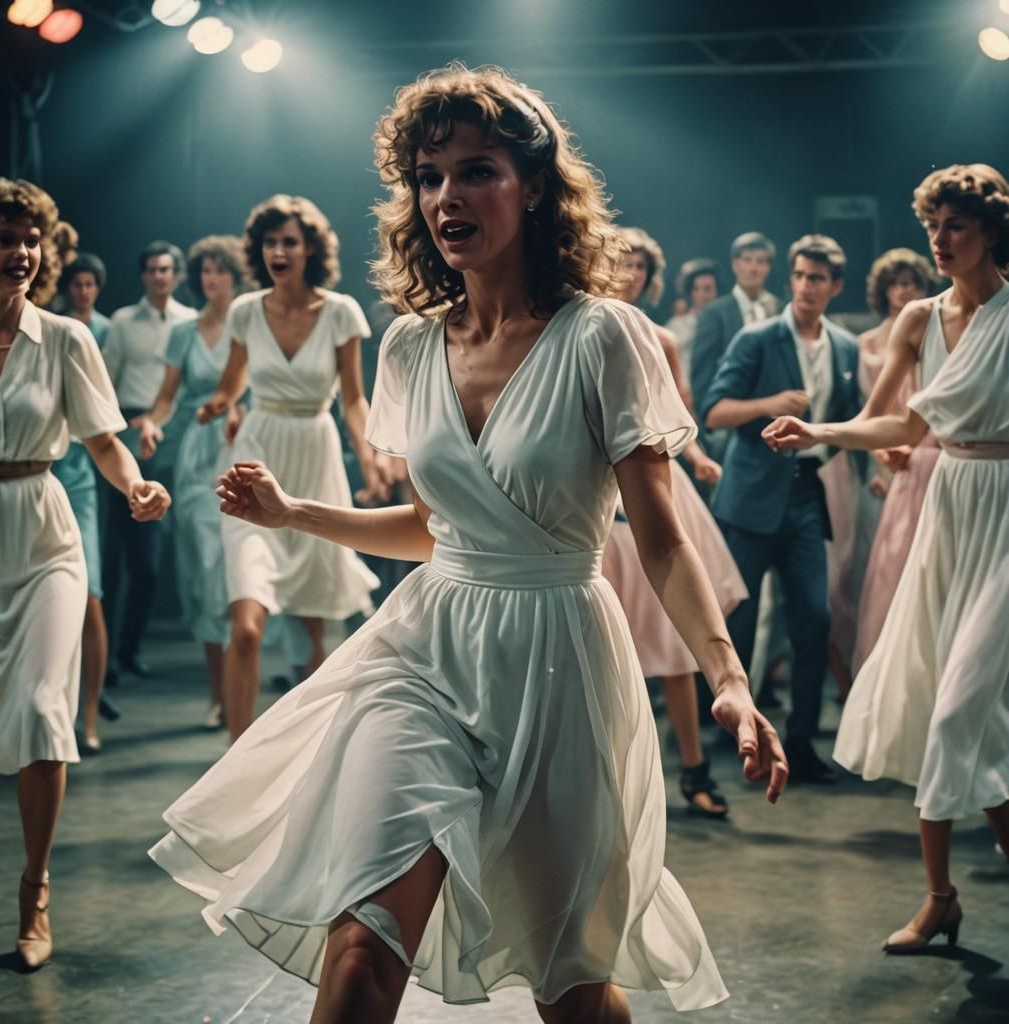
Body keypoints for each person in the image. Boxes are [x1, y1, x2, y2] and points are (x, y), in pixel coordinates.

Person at [151, 65, 786, 1024]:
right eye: (429, 176)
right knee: (361, 949)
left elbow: (659, 541)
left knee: (572, 988)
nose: (448, 195)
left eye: (477, 170)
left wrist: (728, 678)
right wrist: (295, 514)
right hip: (425, 652)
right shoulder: (410, 346)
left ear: (533, 188)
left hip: (556, 658)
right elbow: (435, 527)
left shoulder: (604, 337)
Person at [764, 163, 1009, 952]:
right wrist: (821, 432)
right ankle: (940, 898)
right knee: (947, 702)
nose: (938, 239)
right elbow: (896, 424)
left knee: (962, 708)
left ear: (989, 231)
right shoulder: (918, 319)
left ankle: (942, 895)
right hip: (950, 506)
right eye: (932, 225)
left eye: (954, 225)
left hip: (1006, 509)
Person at [0, 177, 170, 969]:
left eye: (32, 240)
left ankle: (34, 892)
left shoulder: (64, 338)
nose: (23, 253)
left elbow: (102, 440)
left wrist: (134, 485)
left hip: (43, 537)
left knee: (41, 710)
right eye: (5, 238)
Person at [196, 195, 383, 741]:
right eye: (269, 242)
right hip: (255, 459)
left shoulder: (341, 312)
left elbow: (354, 400)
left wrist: (371, 458)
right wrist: (220, 406)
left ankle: (311, 752)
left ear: (309, 250)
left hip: (316, 461)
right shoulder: (245, 311)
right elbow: (233, 383)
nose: (278, 251)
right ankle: (236, 760)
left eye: (289, 242)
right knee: (246, 628)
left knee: (313, 626)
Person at [702, 234, 863, 784]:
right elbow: (714, 411)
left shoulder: (845, 346)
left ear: (835, 286)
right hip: (749, 498)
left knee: (814, 619)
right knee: (739, 623)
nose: (805, 286)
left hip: (805, 495)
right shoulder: (757, 337)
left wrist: (871, 453)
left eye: (817, 278)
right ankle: (737, 733)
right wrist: (769, 404)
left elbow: (851, 418)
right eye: (799, 275)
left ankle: (801, 739)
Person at [604, 227, 747, 818]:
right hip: (598, 494)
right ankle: (613, 778)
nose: (630, 273)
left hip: (653, 481)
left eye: (640, 266)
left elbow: (677, 415)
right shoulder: (571, 329)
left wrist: (699, 456)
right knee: (604, 648)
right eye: (621, 262)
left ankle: (693, 770)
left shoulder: (660, 339)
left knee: (671, 643)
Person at [133, 236, 250, 730]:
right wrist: (151, 422)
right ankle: (219, 694)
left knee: (241, 572)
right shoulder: (184, 332)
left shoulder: (252, 321)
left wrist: (241, 411)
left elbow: (263, 388)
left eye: (219, 270)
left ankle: (247, 687)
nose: (211, 278)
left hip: (246, 450)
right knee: (204, 571)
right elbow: (165, 398)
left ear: (235, 275)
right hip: (198, 458)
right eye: (204, 270)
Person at [101, 241, 196, 680]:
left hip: (177, 436)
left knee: (153, 558)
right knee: (119, 551)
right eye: (152, 269)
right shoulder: (123, 321)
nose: (159, 276)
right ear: (143, 275)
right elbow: (104, 382)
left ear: (176, 275)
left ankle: (129, 647)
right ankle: (110, 655)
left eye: (165, 269)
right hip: (126, 432)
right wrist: (127, 424)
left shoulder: (190, 321)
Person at [852, 248, 938, 673]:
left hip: (924, 449)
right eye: (898, 283)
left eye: (913, 283)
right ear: (884, 290)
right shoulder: (866, 342)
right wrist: (876, 461)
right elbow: (865, 411)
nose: (905, 291)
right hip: (876, 452)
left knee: (918, 558)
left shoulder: (934, 333)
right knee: (879, 559)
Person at [50, 253, 117, 751]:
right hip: (26, 480)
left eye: (91, 282)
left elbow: (104, 428)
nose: (83, 290)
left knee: (90, 594)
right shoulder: (42, 331)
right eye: (77, 282)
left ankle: (88, 715)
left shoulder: (91, 335)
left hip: (78, 475)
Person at [690, 231, 779, 459]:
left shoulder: (779, 308)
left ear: (768, 267)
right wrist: (708, 426)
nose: (753, 268)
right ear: (735, 265)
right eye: (747, 260)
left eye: (760, 261)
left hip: (774, 424)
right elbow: (702, 375)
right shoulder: (715, 312)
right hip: (727, 426)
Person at [665, 258, 720, 383]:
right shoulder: (675, 326)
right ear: (690, 292)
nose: (702, 295)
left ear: (717, 290)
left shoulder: (724, 324)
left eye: (707, 288)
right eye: (696, 289)